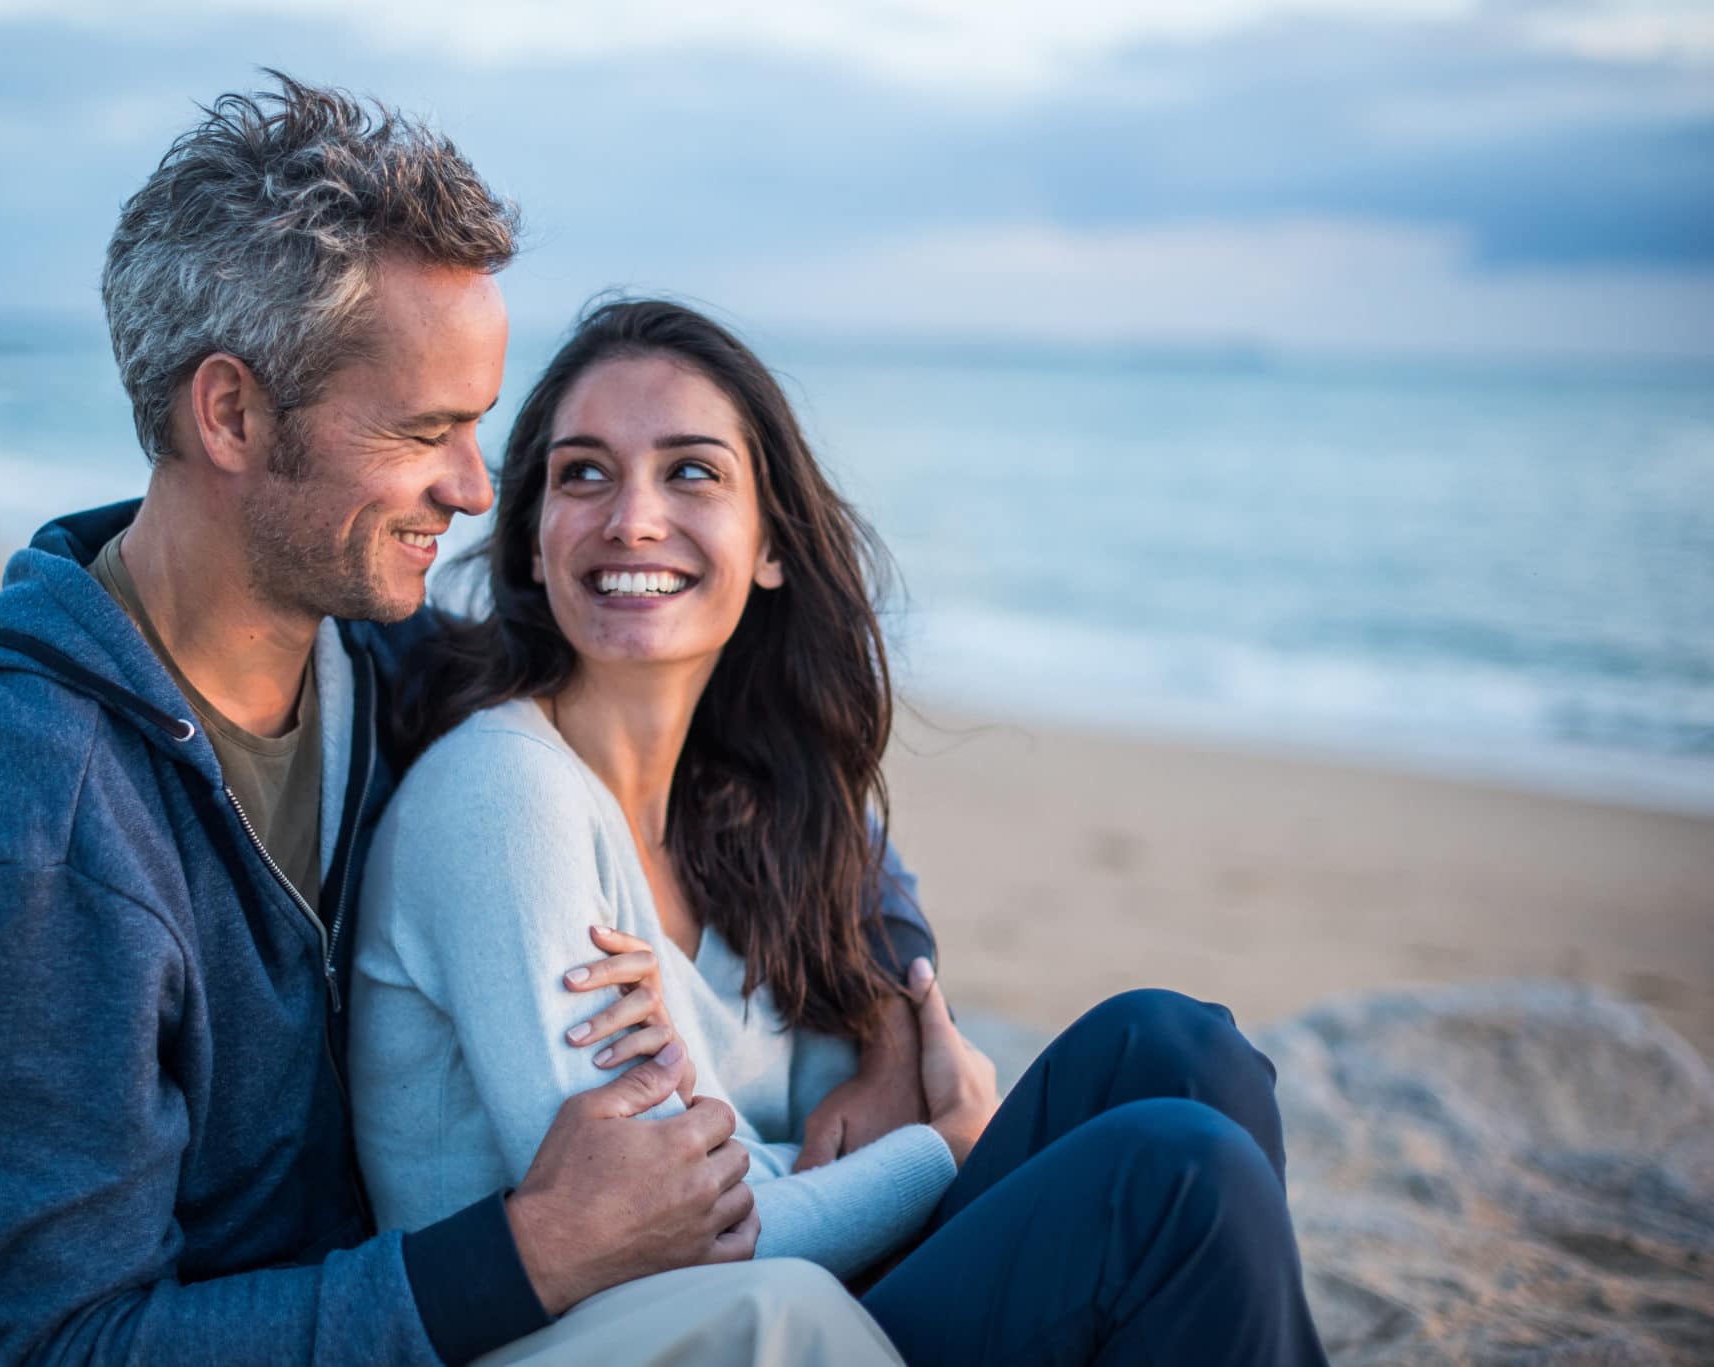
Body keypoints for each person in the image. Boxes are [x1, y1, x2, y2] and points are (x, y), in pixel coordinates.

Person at [0, 77, 918, 1365]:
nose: (475, 488)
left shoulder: (377, 660)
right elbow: (67, 1345)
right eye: (428, 429)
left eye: (479, 427)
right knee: (785, 1319)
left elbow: (736, 741)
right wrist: (528, 1251)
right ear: (232, 413)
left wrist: (886, 1008)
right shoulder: (24, 822)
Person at [351, 299, 1333, 1364]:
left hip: (788, 1292)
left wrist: (881, 1045)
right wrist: (935, 1149)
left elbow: (754, 1170)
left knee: (1177, 1046)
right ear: (534, 544)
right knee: (1174, 1174)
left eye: (690, 471)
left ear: (770, 544)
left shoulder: (746, 807)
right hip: (632, 1335)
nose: (631, 517)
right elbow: (664, 1234)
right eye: (582, 472)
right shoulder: (505, 799)